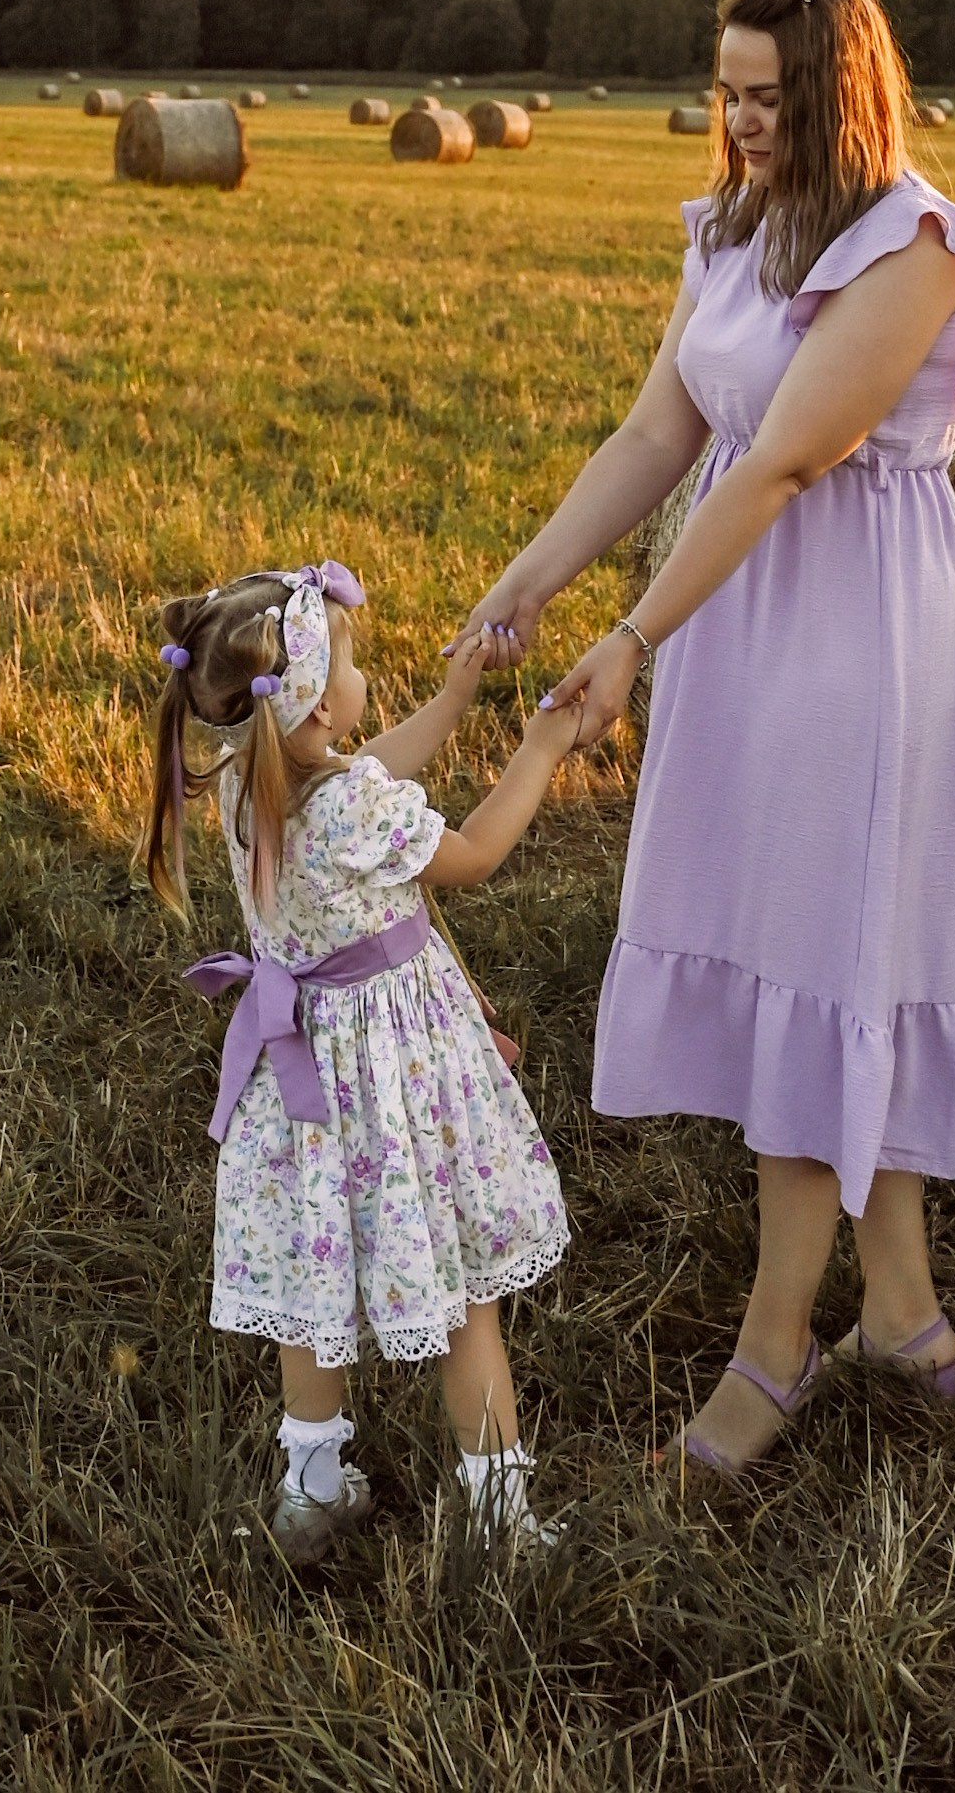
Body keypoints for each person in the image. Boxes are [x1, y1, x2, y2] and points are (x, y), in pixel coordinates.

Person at [454, 0, 955, 1484]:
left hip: (851, 626)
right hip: (741, 618)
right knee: (843, 952)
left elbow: (782, 461)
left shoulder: (912, 246)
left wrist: (637, 633)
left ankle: (774, 1352)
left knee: (820, 946)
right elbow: (665, 428)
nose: (742, 119)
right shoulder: (727, 227)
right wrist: (533, 579)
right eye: (727, 90)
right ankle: (904, 1316)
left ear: (845, 96)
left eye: (772, 98)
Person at [140, 559, 582, 1562]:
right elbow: (468, 852)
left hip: (302, 1084)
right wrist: (542, 746)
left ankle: (312, 1486)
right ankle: (495, 1517)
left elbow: (364, 766)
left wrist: (452, 698)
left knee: (312, 1275)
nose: (358, 670)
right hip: (392, 1081)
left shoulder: (252, 779)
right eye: (347, 657)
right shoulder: (341, 806)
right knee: (461, 1279)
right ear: (310, 700)